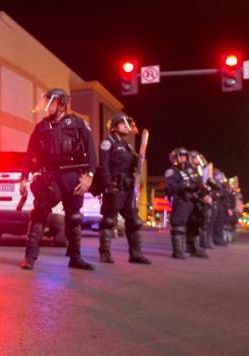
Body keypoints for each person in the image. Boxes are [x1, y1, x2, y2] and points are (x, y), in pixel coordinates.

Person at [19, 88, 95, 271]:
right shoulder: (41, 127)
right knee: (39, 214)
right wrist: (24, 178)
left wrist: (89, 176)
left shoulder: (77, 124)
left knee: (74, 217)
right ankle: (30, 258)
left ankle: (75, 258)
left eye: (50, 102)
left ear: (61, 104)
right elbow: (29, 155)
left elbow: (91, 150)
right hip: (49, 177)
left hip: (72, 176)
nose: (46, 106)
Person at [97, 113, 150, 264]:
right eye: (124, 123)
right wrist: (107, 185)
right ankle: (105, 253)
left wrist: (139, 159)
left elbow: (135, 166)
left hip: (127, 189)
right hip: (114, 187)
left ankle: (136, 254)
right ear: (115, 126)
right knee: (108, 221)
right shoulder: (108, 142)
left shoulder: (128, 146)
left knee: (134, 221)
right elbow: (104, 165)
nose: (127, 127)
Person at [164, 147, 207, 259]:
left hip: (192, 201)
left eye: (185, 155)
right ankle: (178, 251)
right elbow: (171, 187)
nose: (184, 157)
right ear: (176, 157)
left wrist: (201, 188)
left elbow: (198, 184)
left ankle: (194, 249)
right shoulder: (172, 171)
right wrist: (184, 186)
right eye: (181, 155)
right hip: (181, 200)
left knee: (195, 225)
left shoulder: (190, 171)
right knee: (178, 226)